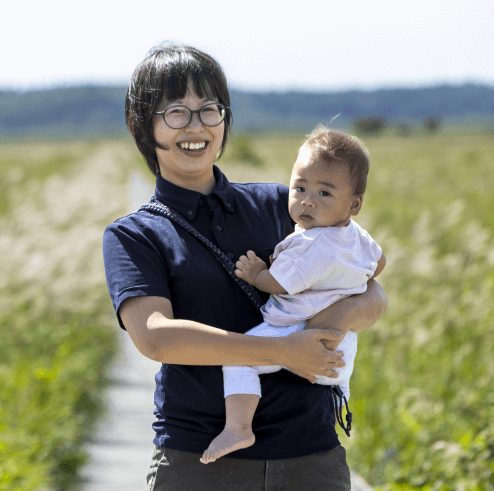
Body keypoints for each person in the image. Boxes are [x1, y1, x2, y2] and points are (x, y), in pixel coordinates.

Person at [102, 44, 387, 490]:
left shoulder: (284, 205)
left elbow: (371, 291)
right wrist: (282, 351)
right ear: (142, 124)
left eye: (209, 109)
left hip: (310, 456)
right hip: (200, 462)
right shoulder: (134, 235)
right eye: (176, 112)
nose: (196, 126)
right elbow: (155, 336)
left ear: (224, 119)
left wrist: (328, 324)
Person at [201, 126, 387, 464]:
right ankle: (334, 413)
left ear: (354, 203)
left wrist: (257, 274)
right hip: (343, 348)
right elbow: (379, 264)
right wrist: (347, 281)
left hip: (295, 331)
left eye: (324, 194)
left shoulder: (314, 245)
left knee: (239, 360)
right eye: (299, 188)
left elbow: (282, 283)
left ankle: (239, 426)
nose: (308, 200)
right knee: (333, 390)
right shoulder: (356, 236)